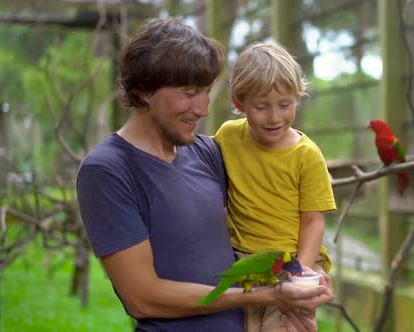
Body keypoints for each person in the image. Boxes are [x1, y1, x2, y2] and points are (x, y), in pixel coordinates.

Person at [76, 18, 333, 332]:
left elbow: (274, 200)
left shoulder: (208, 152)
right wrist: (262, 295)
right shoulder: (108, 171)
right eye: (189, 93)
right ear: (144, 90)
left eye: (206, 92)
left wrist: (301, 277)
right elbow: (142, 299)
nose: (202, 109)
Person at [213, 41, 337, 331]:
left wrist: (300, 270)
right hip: (244, 259)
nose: (274, 117)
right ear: (239, 102)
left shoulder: (306, 155)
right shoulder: (227, 137)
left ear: (297, 97)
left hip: (291, 259)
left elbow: (313, 221)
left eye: (285, 104)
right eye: (261, 106)